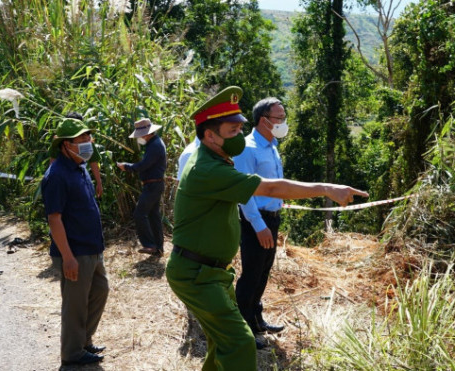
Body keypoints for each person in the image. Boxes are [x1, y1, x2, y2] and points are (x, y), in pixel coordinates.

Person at [166, 86, 368, 371]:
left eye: (240, 129)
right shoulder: (207, 170)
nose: (239, 136)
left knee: (222, 343)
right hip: (196, 274)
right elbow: (269, 187)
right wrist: (326, 188)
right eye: (232, 131)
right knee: (240, 342)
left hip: (210, 272)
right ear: (210, 135)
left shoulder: (215, 160)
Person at [41, 118, 109, 366]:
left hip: (92, 247)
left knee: (100, 291)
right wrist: (67, 256)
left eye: (88, 138)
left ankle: (84, 341)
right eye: (81, 140)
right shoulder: (57, 175)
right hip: (75, 251)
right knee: (76, 304)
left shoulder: (78, 166)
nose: (87, 143)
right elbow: (54, 219)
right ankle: (72, 353)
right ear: (64, 145)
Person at [233, 97, 288, 339]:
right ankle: (242, 329)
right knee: (251, 273)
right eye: (279, 118)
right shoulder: (247, 148)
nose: (283, 123)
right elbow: (244, 193)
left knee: (264, 271)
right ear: (264, 120)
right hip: (256, 221)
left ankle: (256, 319)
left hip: (272, 219)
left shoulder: (272, 145)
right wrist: (259, 226)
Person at [117, 118, 167, 256]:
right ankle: (158, 248)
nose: (139, 138)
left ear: (147, 133)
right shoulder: (154, 144)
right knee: (153, 216)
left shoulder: (155, 145)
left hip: (153, 185)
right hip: (155, 184)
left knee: (140, 213)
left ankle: (150, 245)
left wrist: (126, 167)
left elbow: (143, 166)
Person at [49, 112, 103, 198]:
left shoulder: (87, 141)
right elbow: (52, 161)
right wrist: (51, 180)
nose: (84, 138)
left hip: (81, 177)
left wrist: (99, 182)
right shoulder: (59, 142)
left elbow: (93, 161)